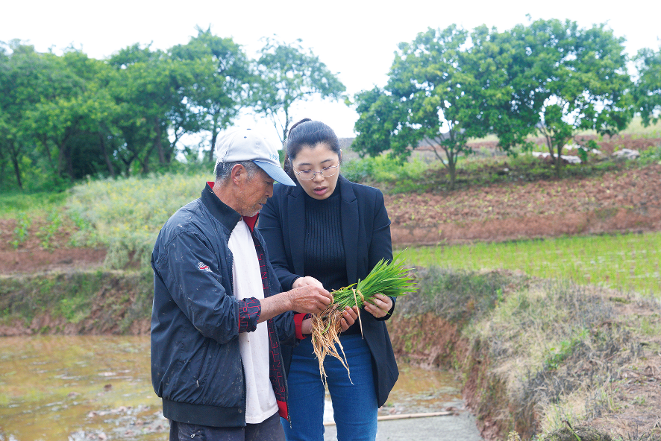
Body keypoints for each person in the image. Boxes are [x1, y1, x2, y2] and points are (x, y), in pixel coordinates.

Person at [150, 127, 347, 441]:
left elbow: (267, 317)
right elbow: (217, 317)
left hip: (261, 403)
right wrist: (291, 299)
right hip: (207, 410)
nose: (271, 193)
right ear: (238, 174)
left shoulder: (249, 229)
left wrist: (318, 321)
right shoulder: (186, 232)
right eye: (267, 182)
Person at [258, 119, 399, 441]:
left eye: (327, 166)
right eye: (305, 169)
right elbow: (269, 267)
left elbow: (384, 271)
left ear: (339, 159)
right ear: (290, 166)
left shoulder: (368, 202)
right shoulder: (276, 202)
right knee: (301, 437)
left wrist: (385, 304)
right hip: (297, 340)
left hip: (355, 340)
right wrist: (296, 285)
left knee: (359, 435)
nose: (318, 178)